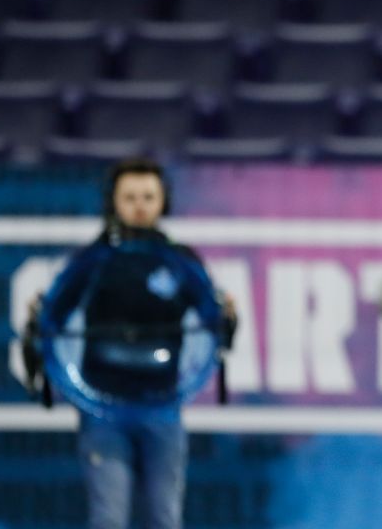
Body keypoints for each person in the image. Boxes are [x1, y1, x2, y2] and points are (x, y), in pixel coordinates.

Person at [29, 158, 234, 529]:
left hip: (162, 403)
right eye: (130, 197)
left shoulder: (180, 262)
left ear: (163, 202)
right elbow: (55, 320)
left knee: (164, 518)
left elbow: (212, 325)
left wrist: (228, 316)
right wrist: (38, 316)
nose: (139, 205)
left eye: (148, 196)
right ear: (114, 202)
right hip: (104, 407)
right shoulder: (92, 262)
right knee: (108, 518)